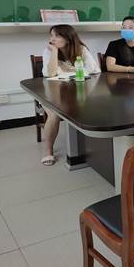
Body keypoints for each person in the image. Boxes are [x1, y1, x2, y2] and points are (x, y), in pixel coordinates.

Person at [41, 25, 101, 165]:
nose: (52, 39)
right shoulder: (49, 51)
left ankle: (90, 147)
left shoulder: (81, 49)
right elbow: (50, 73)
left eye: (57, 36)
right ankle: (49, 152)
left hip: (77, 91)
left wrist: (69, 69)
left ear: (68, 38)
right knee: (54, 114)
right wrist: (54, 52)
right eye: (51, 36)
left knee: (93, 106)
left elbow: (93, 70)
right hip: (51, 93)